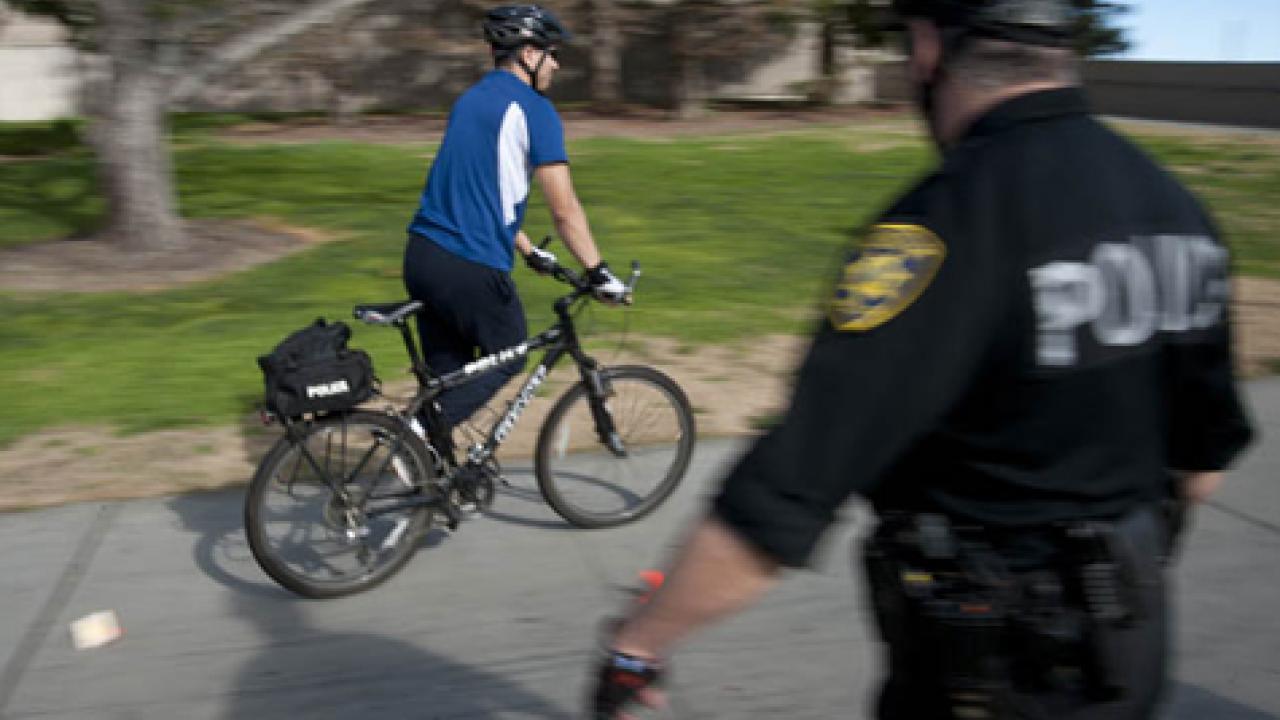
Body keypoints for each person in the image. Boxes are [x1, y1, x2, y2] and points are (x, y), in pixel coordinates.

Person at [586, 1, 1256, 718]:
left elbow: (785, 494)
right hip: (1127, 665)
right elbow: (1202, 466)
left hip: (988, 677)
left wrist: (639, 646)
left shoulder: (939, 229)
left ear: (932, 48)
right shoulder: (1178, 212)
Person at [403, 4, 627, 436]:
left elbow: (473, 191)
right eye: (551, 53)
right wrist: (598, 272)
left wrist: (527, 249)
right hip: (470, 265)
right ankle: (415, 430)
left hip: (423, 258)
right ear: (528, 54)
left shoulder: (470, 101)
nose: (556, 65)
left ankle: (430, 480)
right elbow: (565, 209)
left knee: (451, 381)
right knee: (512, 352)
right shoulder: (535, 109)